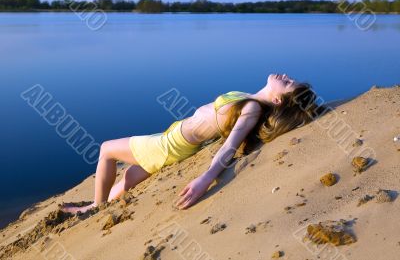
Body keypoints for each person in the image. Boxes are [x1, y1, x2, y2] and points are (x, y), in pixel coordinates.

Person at [61, 74, 322, 214]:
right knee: (129, 177)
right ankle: (94, 205)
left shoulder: (252, 109)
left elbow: (229, 147)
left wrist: (205, 179)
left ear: (277, 100)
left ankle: (96, 206)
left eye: (287, 83)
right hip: (171, 139)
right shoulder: (249, 98)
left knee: (106, 149)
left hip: (168, 145)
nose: (285, 76)